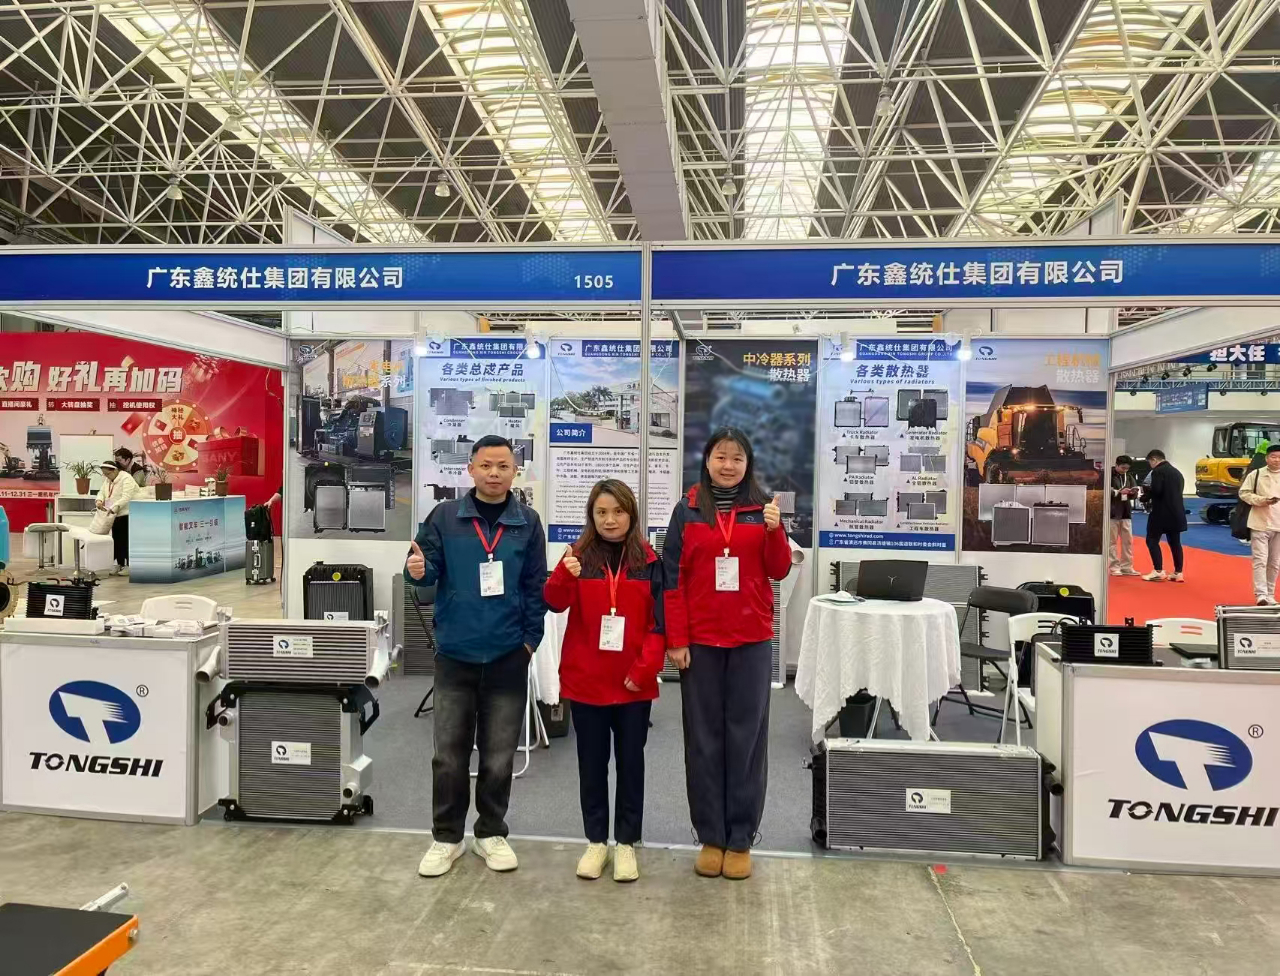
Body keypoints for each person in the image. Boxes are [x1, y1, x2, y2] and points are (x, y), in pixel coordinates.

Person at [405, 435, 547, 878]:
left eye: (503, 466)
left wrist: (530, 641)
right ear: (470, 469)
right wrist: (417, 572)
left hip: (508, 654)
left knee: (499, 755)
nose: (494, 473)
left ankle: (490, 833)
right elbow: (425, 572)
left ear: (514, 471)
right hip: (456, 655)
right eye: (486, 465)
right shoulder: (445, 517)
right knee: (448, 755)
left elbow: (535, 586)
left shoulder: (527, 522)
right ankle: (447, 838)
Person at [663, 427, 792, 881]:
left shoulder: (763, 510)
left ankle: (740, 838)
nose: (728, 465)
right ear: (707, 460)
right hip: (699, 642)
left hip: (750, 640)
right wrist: (676, 639)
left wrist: (776, 532)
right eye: (721, 456)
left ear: (747, 465)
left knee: (746, 740)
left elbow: (778, 569)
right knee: (703, 740)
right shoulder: (686, 510)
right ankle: (710, 835)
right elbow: (672, 579)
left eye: (737, 458)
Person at [544, 479, 665, 883]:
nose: (610, 520)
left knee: (631, 765)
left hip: (633, 684)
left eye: (617, 512)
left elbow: (659, 623)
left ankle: (626, 842)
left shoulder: (649, 561)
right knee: (591, 766)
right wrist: (564, 574)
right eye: (601, 513)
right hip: (588, 683)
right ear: (591, 516)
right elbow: (554, 602)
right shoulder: (577, 557)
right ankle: (596, 841)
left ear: (631, 514)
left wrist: (644, 669)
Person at [1238, 444, 1280, 605]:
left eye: (1279, 457)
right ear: (1266, 458)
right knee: (1260, 560)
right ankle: (1261, 595)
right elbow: (1244, 493)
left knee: (1274, 563)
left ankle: (1270, 594)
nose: (1277, 460)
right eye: (1273, 457)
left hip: (1278, 525)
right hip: (1259, 523)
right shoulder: (1256, 474)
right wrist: (1261, 500)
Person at [1142, 449, 1187, 582]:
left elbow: (1157, 490)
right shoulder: (1177, 472)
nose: (1150, 465)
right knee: (1175, 543)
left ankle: (1158, 571)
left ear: (1154, 460)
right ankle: (1178, 572)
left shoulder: (1158, 471)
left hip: (1161, 513)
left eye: (1150, 462)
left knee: (1151, 540)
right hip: (1177, 512)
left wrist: (1144, 496)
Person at [96, 459, 139, 575]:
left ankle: (129, 565)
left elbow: (126, 497)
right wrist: (99, 500)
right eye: (104, 474)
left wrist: (114, 507)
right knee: (117, 540)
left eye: (108, 473)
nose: (106, 476)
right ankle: (119, 564)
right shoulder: (109, 479)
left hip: (128, 513)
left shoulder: (126, 478)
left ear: (115, 470)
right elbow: (102, 492)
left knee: (127, 540)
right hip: (114, 514)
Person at [1108, 455, 1140, 577]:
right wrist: (1118, 492)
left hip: (1126, 512)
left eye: (1127, 468)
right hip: (1112, 512)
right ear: (1116, 465)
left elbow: (1134, 493)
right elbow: (1103, 490)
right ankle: (1114, 567)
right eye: (1123, 468)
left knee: (1128, 541)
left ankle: (1127, 567)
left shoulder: (1129, 476)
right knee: (1112, 542)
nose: (1125, 470)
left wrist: (1133, 492)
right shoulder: (1108, 475)